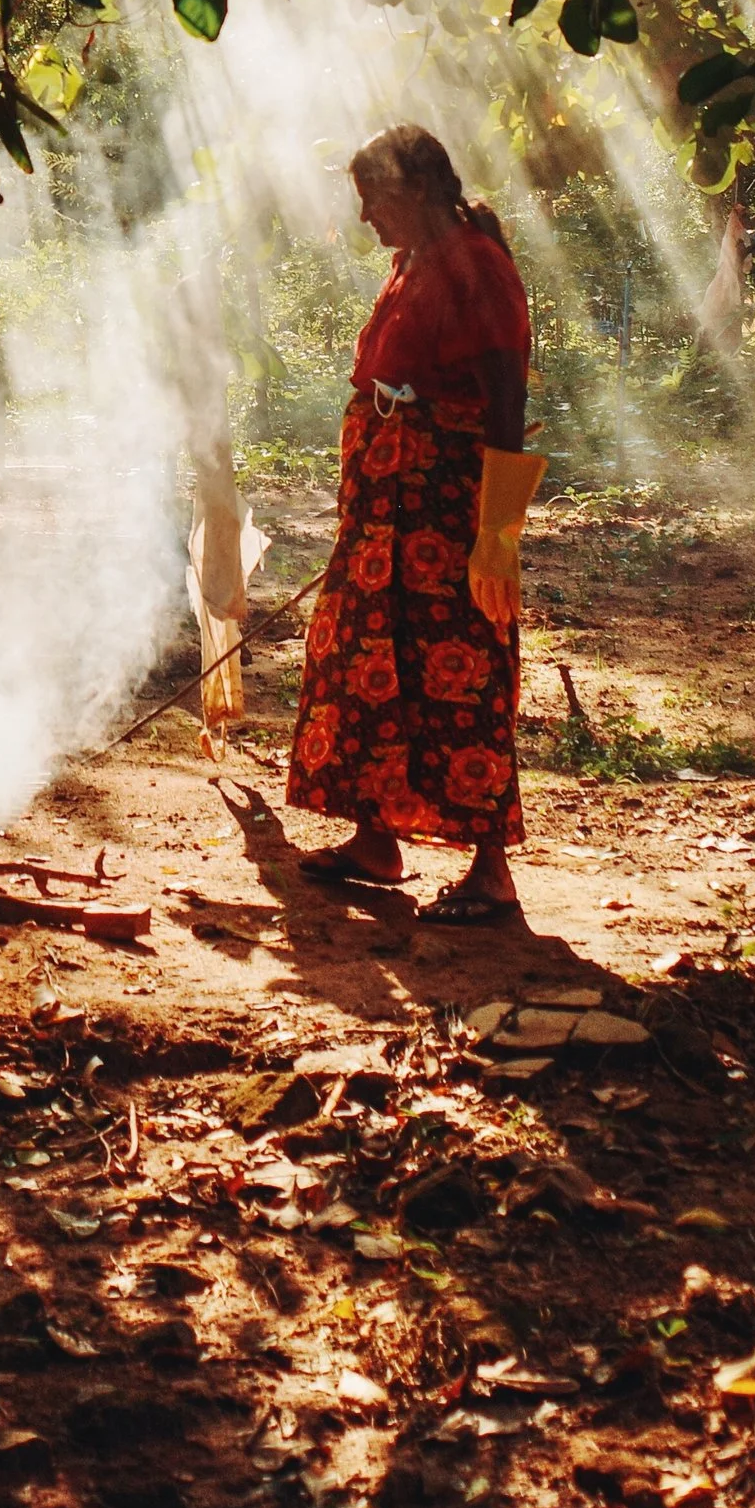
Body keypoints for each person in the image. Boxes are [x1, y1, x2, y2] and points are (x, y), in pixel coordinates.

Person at [284, 125, 543, 925]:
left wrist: (495, 534)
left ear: (420, 190)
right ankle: (374, 839)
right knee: (364, 659)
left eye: (375, 196)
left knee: (457, 670)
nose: (364, 215)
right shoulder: (413, 266)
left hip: (442, 515)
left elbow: (506, 401)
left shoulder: (479, 267)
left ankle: (491, 871)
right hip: (384, 515)